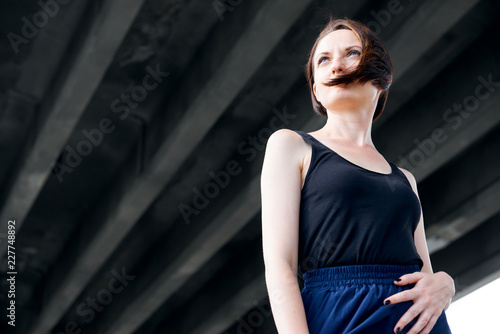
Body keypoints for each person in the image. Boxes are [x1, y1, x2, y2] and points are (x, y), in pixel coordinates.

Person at [260, 17, 455, 334]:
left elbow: (426, 274)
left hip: (420, 322)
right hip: (341, 314)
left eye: (351, 53)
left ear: (382, 76)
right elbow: (280, 265)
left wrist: (446, 283)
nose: (336, 65)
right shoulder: (290, 145)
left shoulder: (406, 179)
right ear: (316, 91)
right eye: (323, 60)